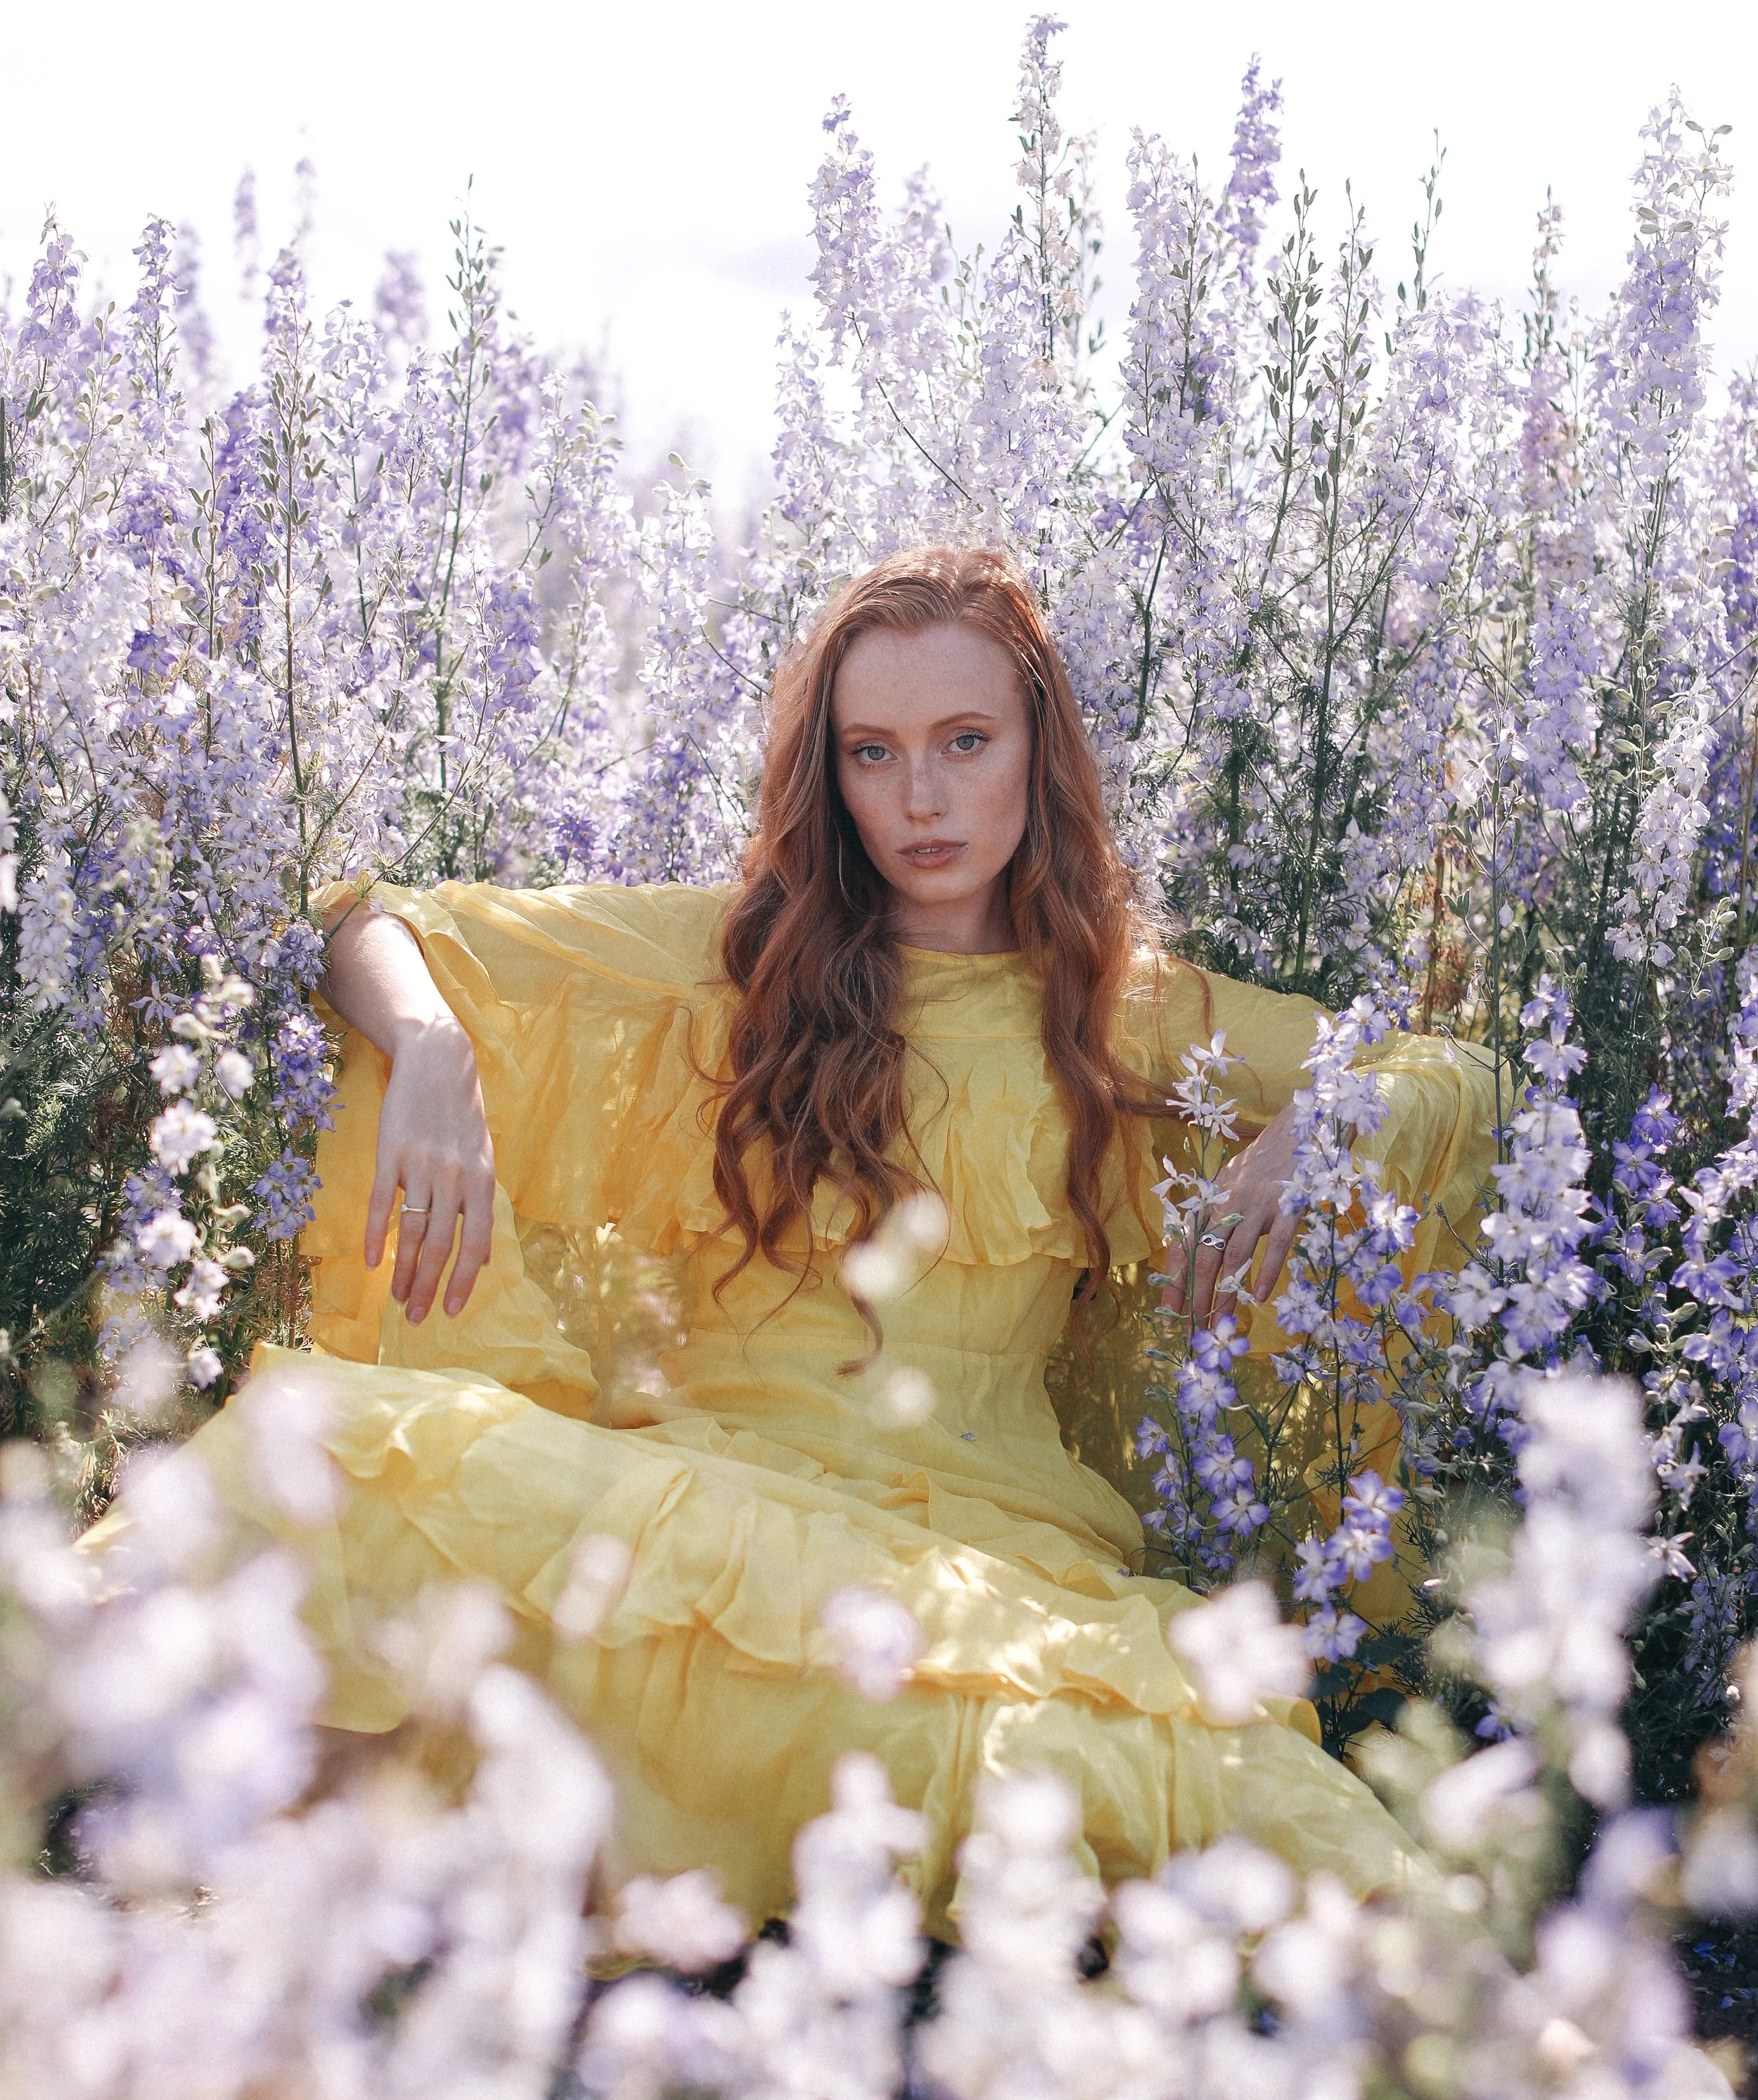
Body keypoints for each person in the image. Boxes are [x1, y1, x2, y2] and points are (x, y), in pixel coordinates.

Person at [160, 546, 1500, 1935]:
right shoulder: (736, 963)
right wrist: (433, 1044)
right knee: (324, 1464)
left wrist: (1321, 1117)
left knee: (1208, 1783)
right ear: (832, 772)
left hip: (979, 1561)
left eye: (964, 742)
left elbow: (1457, 1073)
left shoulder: (1124, 1010)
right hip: (700, 1517)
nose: (920, 799)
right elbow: (371, 923)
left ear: (1038, 752)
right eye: (873, 752)